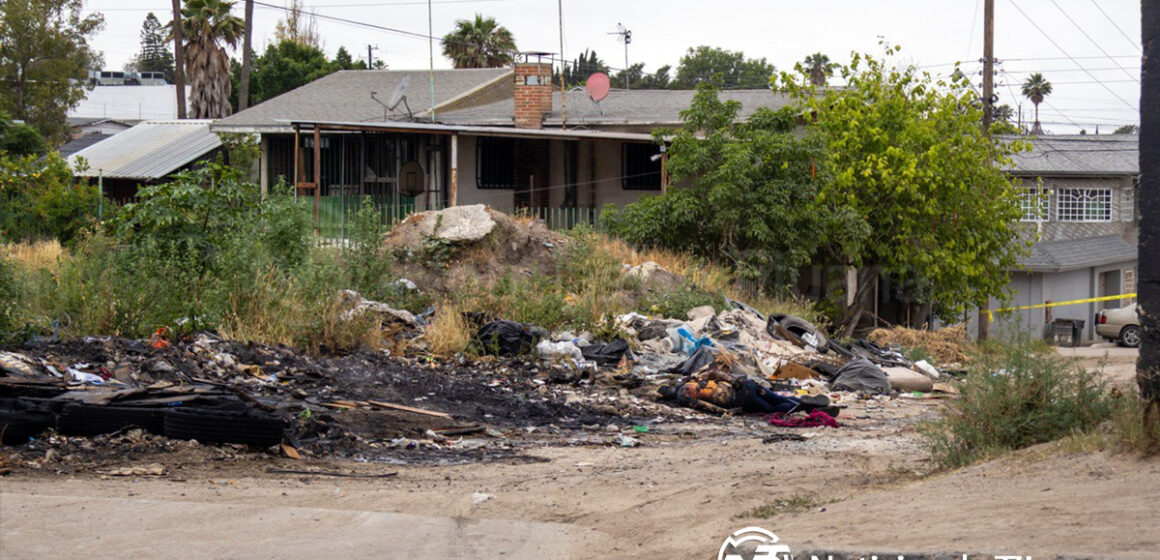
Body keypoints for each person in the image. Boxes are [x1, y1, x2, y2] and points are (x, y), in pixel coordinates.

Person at [658, 364, 809, 415]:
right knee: (778, 398)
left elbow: (704, 406)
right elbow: (714, 371)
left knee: (773, 409)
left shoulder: (682, 396)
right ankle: (808, 404)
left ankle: (804, 406)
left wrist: (724, 412)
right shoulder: (693, 379)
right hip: (746, 385)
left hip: (741, 400)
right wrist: (733, 380)